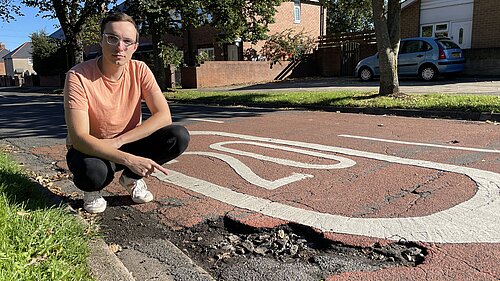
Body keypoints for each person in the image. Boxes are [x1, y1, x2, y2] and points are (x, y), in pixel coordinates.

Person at [63, 12, 190, 214]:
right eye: (112, 38)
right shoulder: (78, 76)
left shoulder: (140, 69)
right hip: (92, 147)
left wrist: (118, 142)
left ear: (135, 47)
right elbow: (79, 138)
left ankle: (131, 178)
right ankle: (93, 190)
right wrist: (129, 160)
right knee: (93, 174)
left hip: (126, 141)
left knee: (178, 136)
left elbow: (164, 116)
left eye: (127, 41)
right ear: (101, 40)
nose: (120, 47)